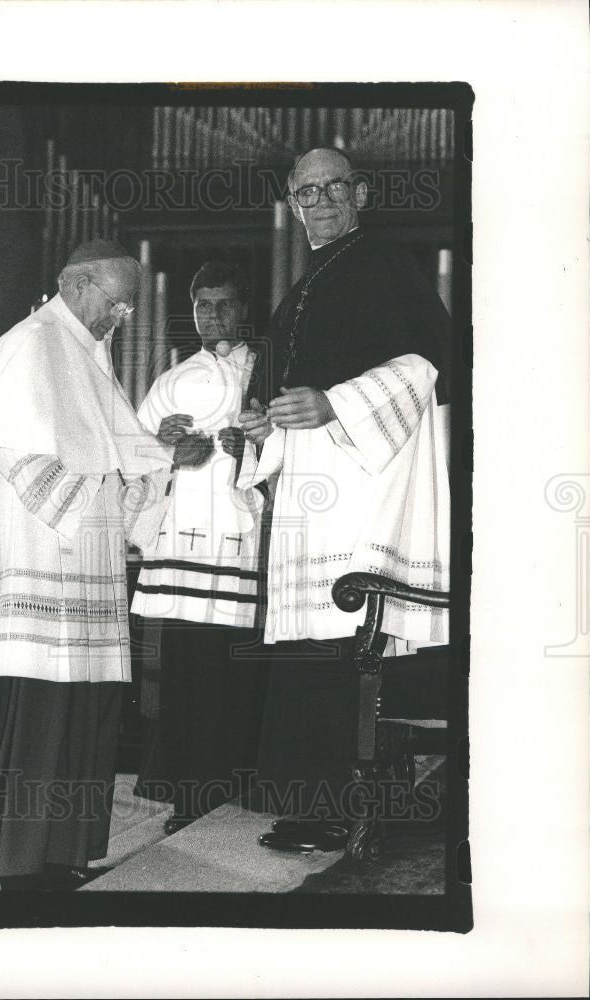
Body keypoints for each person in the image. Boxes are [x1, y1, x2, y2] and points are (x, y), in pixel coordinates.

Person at [0, 239, 200, 890]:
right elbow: (23, 459)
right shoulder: (31, 345)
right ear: (78, 283)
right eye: (115, 303)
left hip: (85, 561)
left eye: (128, 308)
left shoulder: (87, 358)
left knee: (84, 705)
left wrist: (160, 453)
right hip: (43, 557)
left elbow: (120, 450)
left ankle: (60, 850)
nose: (121, 317)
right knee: (40, 701)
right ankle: (21, 859)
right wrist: (107, 493)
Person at [238, 147, 452, 851]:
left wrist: (333, 402)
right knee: (309, 646)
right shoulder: (304, 285)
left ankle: (337, 805)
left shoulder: (384, 264)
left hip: (360, 486)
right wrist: (260, 418)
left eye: (334, 187)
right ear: (293, 203)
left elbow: (424, 365)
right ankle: (308, 801)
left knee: (340, 642)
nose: (321, 201)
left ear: (360, 192)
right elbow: (278, 382)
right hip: (310, 489)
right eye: (307, 192)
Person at [131, 260, 268, 833]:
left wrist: (253, 446)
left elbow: (291, 443)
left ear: (244, 308)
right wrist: (162, 448)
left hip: (240, 544)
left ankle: (237, 789)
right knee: (186, 672)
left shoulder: (266, 369)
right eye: (202, 305)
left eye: (225, 304)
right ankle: (186, 792)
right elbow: (133, 453)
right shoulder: (173, 379)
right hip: (182, 545)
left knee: (236, 671)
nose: (213, 316)